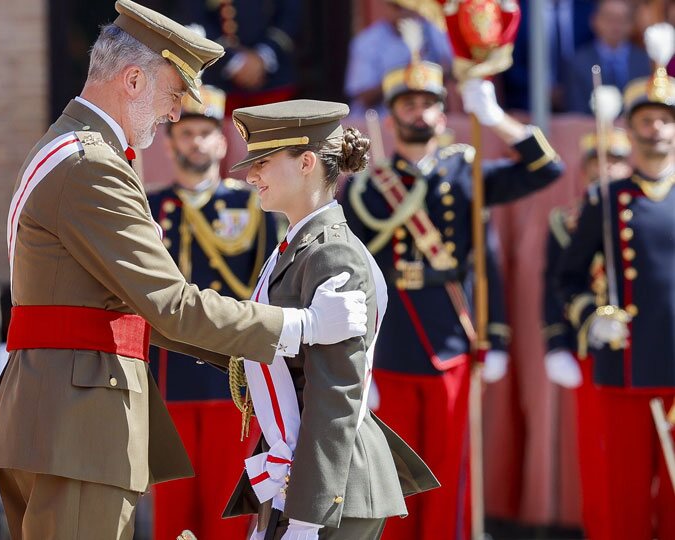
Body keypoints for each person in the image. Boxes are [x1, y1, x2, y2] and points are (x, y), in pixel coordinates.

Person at [0, 1, 371, 538]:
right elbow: (169, 304)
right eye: (173, 94)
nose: (173, 113)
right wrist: (301, 328)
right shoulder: (92, 165)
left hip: (60, 412)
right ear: (134, 79)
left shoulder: (72, 149)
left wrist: (258, 360)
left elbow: (139, 314)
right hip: (77, 422)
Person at [338, 58, 564, 540]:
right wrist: (355, 361)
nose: (419, 113)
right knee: (391, 476)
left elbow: (546, 171)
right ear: (393, 115)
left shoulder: (466, 172)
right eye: (408, 104)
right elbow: (349, 277)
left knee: (447, 473)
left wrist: (497, 119)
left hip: (450, 342)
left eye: (428, 105)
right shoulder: (366, 186)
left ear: (444, 115)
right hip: (389, 346)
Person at [220, 99, 438, 539]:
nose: (251, 175)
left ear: (305, 163)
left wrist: (307, 516)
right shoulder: (299, 245)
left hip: (330, 488)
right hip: (305, 473)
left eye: (262, 162)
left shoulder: (331, 253)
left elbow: (337, 390)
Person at [146, 84, 278, 539]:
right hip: (169, 376)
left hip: (234, 380)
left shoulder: (253, 206)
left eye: (206, 132)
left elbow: (266, 292)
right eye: (186, 133)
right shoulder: (147, 207)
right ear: (169, 142)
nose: (196, 142)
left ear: (223, 142)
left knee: (229, 512)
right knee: (173, 514)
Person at [557, 55, 675, 540]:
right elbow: (568, 279)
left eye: (667, 119)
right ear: (630, 128)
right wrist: (592, 317)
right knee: (622, 498)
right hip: (625, 365)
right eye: (647, 119)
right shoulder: (605, 200)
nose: (658, 129)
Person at [543, 127, 631, 539]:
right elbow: (554, 285)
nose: (607, 167)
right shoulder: (566, 221)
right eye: (598, 160)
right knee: (600, 453)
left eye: (615, 159)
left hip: (642, 348)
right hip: (589, 347)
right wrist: (556, 343)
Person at [178, 0, 301, 112]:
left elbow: (291, 15)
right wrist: (234, 61)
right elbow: (192, 16)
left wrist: (264, 55)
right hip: (218, 81)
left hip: (274, 82)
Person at [343, 0, 452, 116]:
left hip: (424, 119)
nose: (405, 12)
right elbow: (365, 96)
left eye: (411, 6)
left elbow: (452, 71)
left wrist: (427, 65)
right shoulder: (367, 42)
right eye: (398, 7)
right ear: (387, 6)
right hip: (381, 120)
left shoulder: (434, 31)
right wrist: (406, 72)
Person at [564, 0, 653, 115]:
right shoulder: (578, 62)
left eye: (622, 19)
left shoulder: (644, 60)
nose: (615, 25)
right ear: (594, 21)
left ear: (631, 24)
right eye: (609, 18)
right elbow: (576, 112)